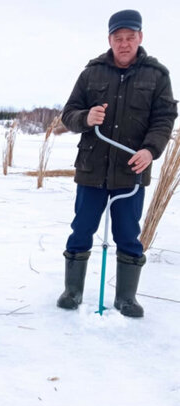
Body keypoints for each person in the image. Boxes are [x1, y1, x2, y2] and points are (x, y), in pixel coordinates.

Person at [58, 9, 178, 317]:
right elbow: (68, 113)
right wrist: (85, 117)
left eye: (130, 37)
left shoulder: (157, 75)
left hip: (131, 171)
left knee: (127, 233)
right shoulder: (91, 73)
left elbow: (164, 118)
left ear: (140, 37)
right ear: (109, 39)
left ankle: (126, 298)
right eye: (118, 38)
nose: (124, 44)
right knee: (81, 229)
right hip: (92, 169)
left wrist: (151, 150)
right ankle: (72, 291)